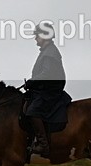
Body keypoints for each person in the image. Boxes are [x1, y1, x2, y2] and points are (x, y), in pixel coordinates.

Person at [24, 22, 66, 156]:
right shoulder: (47, 51)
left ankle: (44, 145)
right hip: (43, 90)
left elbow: (47, 74)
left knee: (32, 112)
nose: (35, 38)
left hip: (49, 92)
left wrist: (32, 82)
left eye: (37, 35)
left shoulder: (50, 52)